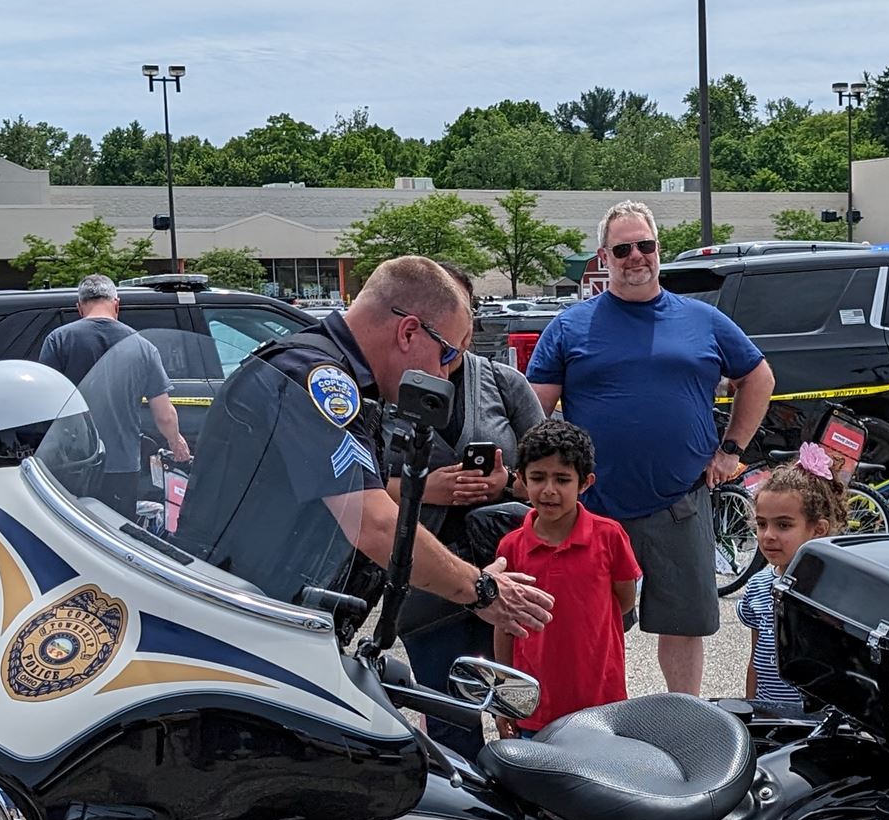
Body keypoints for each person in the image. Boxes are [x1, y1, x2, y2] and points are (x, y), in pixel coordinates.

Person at [175, 255, 554, 641]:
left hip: (256, 615)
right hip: (238, 622)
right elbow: (374, 524)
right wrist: (481, 590)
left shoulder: (336, 373)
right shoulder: (314, 377)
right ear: (408, 332)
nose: (444, 374)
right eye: (447, 355)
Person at [527, 200, 777, 696]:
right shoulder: (570, 326)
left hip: (680, 501)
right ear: (604, 257)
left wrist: (730, 451)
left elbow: (759, 377)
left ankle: (682, 719)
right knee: (590, 625)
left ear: (658, 248)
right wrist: (539, 480)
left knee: (682, 625)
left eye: (645, 245)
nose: (636, 256)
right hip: (593, 507)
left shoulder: (703, 320)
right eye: (623, 249)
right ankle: (592, 721)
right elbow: (534, 412)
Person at [399, 264, 546, 755]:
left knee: (522, 710)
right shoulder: (385, 388)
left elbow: (556, 474)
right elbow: (356, 488)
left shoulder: (505, 385)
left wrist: (510, 482)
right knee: (449, 720)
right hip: (428, 581)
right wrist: (426, 488)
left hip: (509, 568)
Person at [490, 418, 640, 736]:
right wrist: (505, 697)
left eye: (562, 479)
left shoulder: (609, 537)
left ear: (585, 483)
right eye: (538, 477)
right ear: (521, 479)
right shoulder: (511, 547)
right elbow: (504, 625)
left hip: (601, 703)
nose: (549, 490)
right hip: (534, 706)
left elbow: (624, 602)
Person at [35, 275, 190, 515]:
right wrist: (175, 441)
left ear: (79, 307)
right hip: (122, 463)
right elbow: (164, 415)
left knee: (70, 529)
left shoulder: (59, 340)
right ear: (116, 304)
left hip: (72, 462)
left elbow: (45, 404)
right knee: (116, 530)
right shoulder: (142, 346)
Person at [733, 460, 844, 717]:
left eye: (783, 525)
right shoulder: (758, 586)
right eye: (762, 524)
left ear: (818, 530)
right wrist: (751, 713)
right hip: (769, 716)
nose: (768, 535)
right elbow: (755, 662)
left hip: (817, 721)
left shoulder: (832, 592)